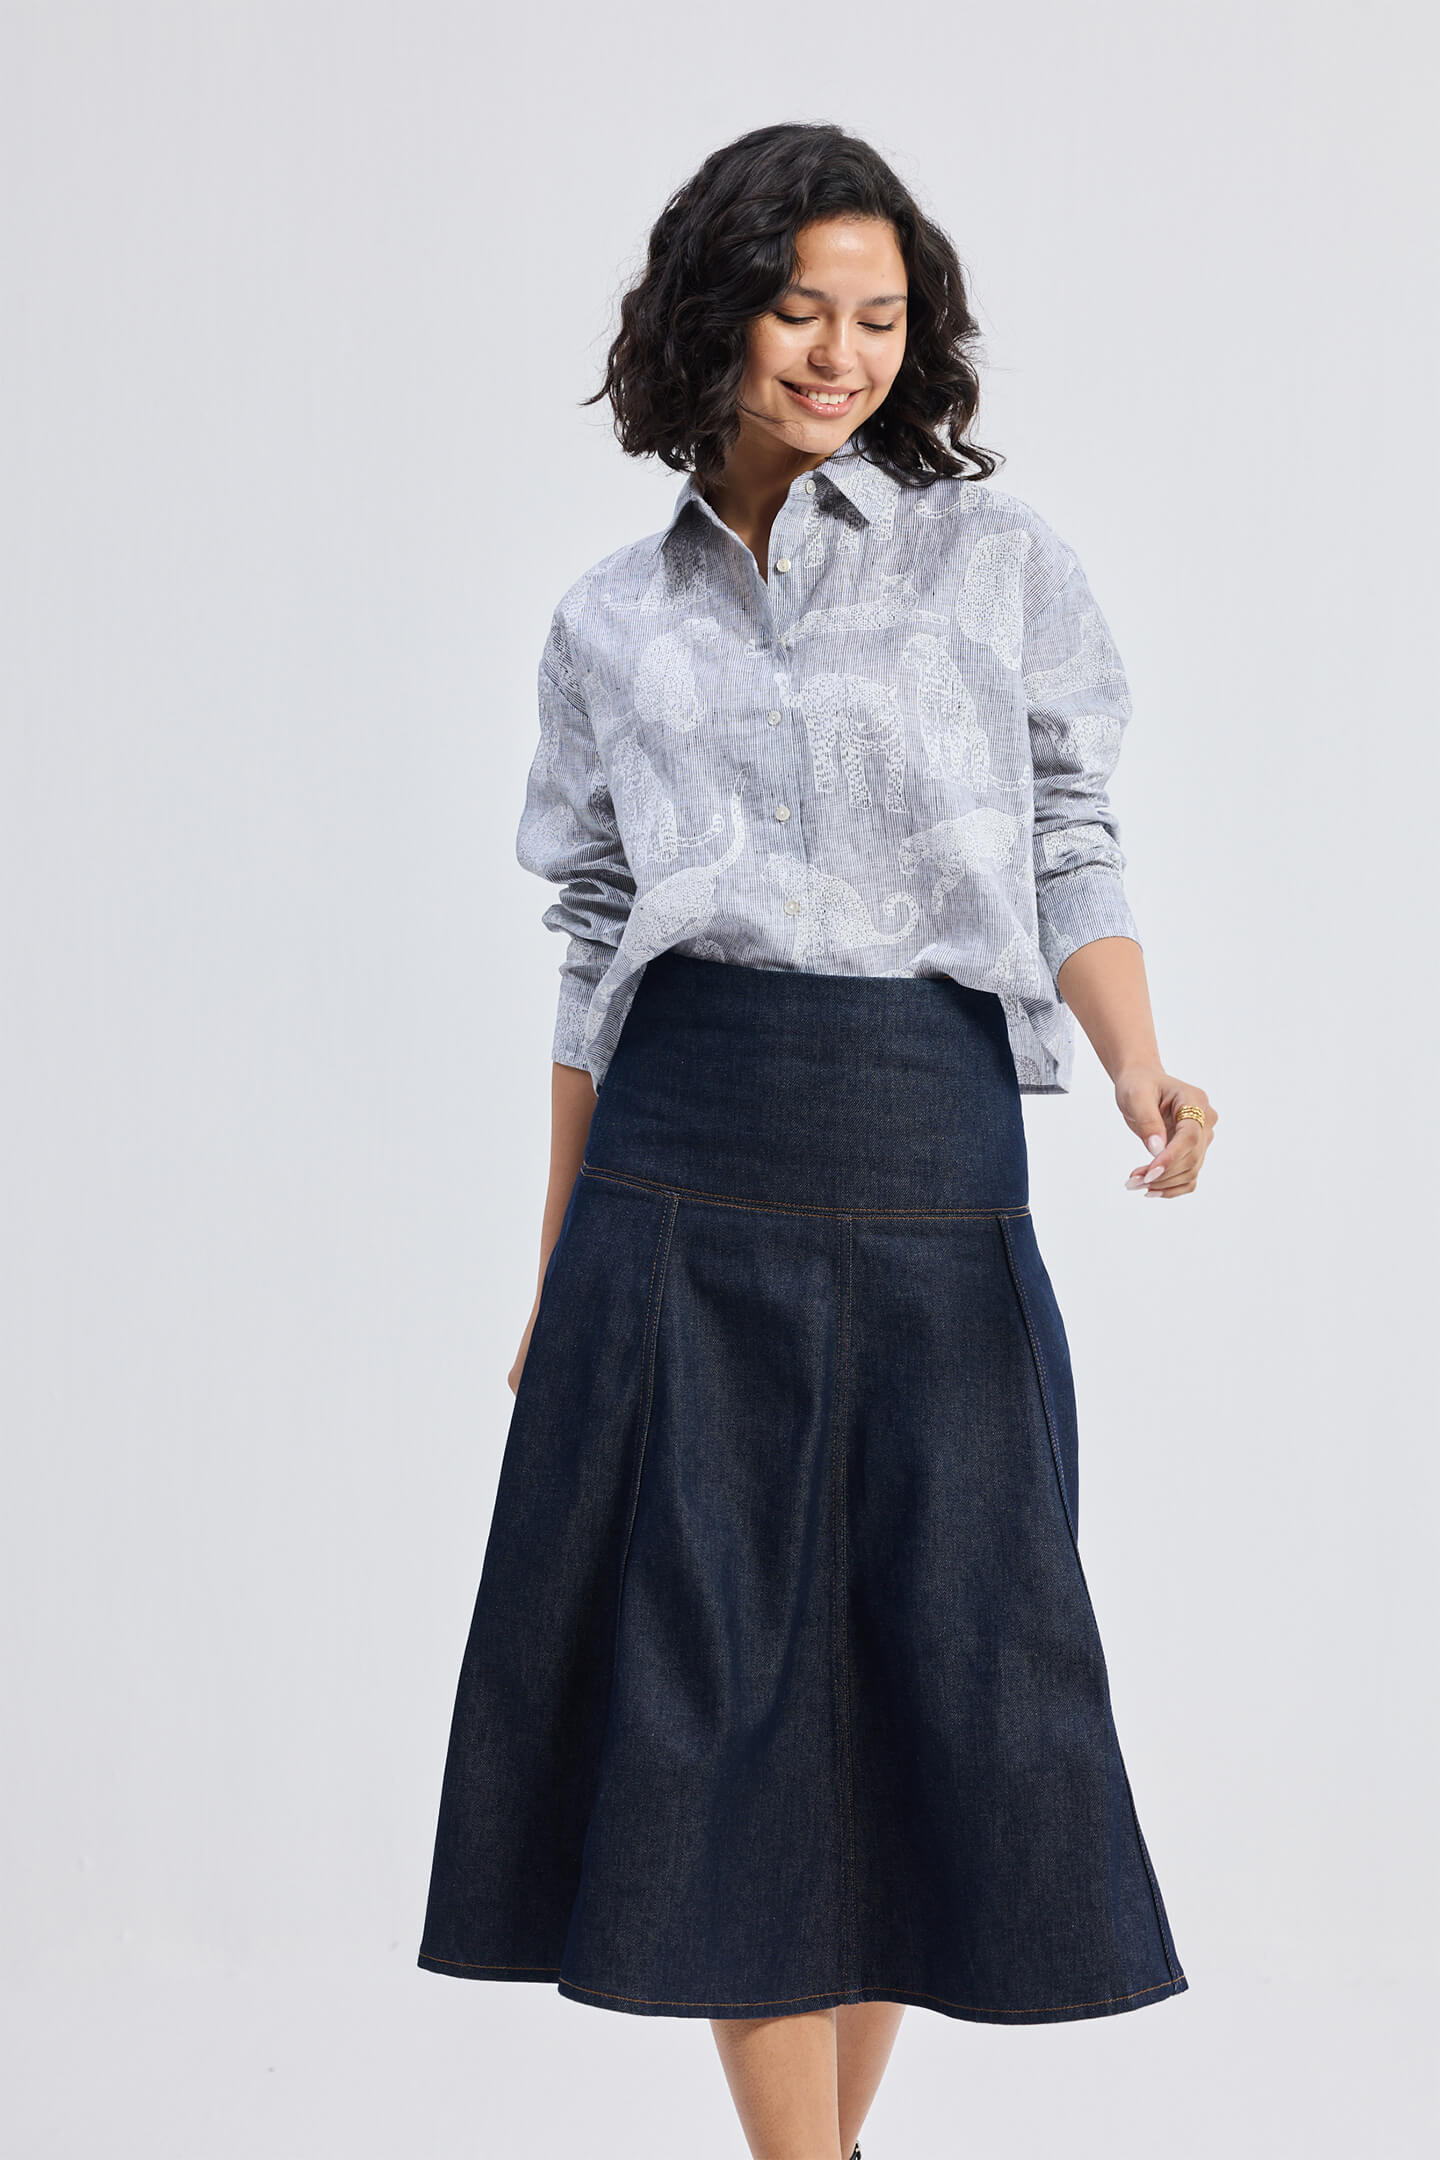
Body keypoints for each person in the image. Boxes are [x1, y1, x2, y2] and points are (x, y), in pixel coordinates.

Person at [416, 119, 1217, 2160]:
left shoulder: (1000, 562)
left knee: (917, 1698)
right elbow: (594, 949)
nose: (841, 353)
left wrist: (1139, 1060)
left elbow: (1073, 837)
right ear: (717, 316)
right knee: (719, 1712)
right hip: (682, 1169)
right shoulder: (610, 619)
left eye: (879, 318)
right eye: (801, 310)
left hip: (938, 1159)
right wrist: (552, 1262)